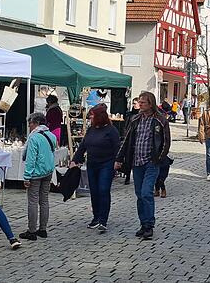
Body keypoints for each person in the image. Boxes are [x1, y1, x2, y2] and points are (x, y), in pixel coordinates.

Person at [115, 91, 171, 240]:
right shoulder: (135, 119)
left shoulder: (160, 120)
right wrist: (119, 158)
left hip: (151, 163)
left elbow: (166, 142)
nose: (140, 104)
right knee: (140, 194)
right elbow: (127, 140)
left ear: (150, 104)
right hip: (137, 162)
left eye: (143, 102)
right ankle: (143, 223)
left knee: (147, 193)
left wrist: (158, 158)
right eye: (139, 102)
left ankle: (149, 225)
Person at [70, 104, 120, 232]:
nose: (90, 118)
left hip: (107, 164)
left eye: (92, 116)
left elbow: (117, 149)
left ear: (99, 117)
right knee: (94, 191)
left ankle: (103, 219)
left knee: (103, 190)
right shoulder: (91, 130)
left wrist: (118, 162)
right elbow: (83, 146)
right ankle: (96, 217)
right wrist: (75, 160)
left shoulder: (111, 130)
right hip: (92, 164)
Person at [19, 112, 58, 241]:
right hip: (48, 171)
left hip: (36, 173)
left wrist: (27, 176)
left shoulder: (34, 138)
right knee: (44, 200)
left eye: (30, 123)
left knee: (33, 201)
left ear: (35, 123)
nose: (29, 126)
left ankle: (31, 230)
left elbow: (31, 159)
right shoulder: (51, 135)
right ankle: (43, 229)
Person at [122, 98, 141, 185]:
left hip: (139, 139)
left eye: (135, 103)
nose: (134, 105)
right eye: (133, 103)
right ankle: (127, 176)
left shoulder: (141, 115)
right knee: (128, 158)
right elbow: (126, 126)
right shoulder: (130, 115)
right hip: (130, 139)